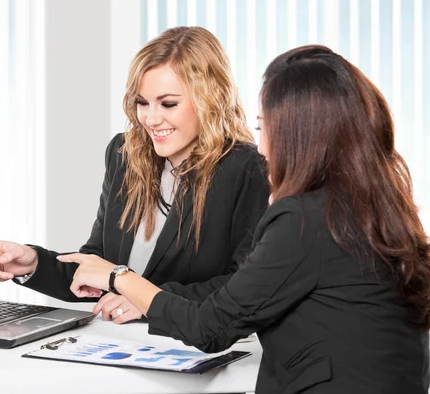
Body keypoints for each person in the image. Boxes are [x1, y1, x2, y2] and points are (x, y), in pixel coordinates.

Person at [59, 44, 430, 393]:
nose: (264, 146)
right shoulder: (370, 205)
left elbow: (211, 327)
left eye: (265, 127)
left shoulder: (305, 218)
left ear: (299, 137)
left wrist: (117, 277)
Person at [0, 26, 269, 323]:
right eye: (142, 102)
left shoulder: (245, 168)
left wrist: (148, 300)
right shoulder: (125, 154)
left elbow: (243, 288)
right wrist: (32, 264)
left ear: (210, 100)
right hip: (120, 343)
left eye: (168, 103)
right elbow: (99, 264)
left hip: (193, 347)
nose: (150, 118)